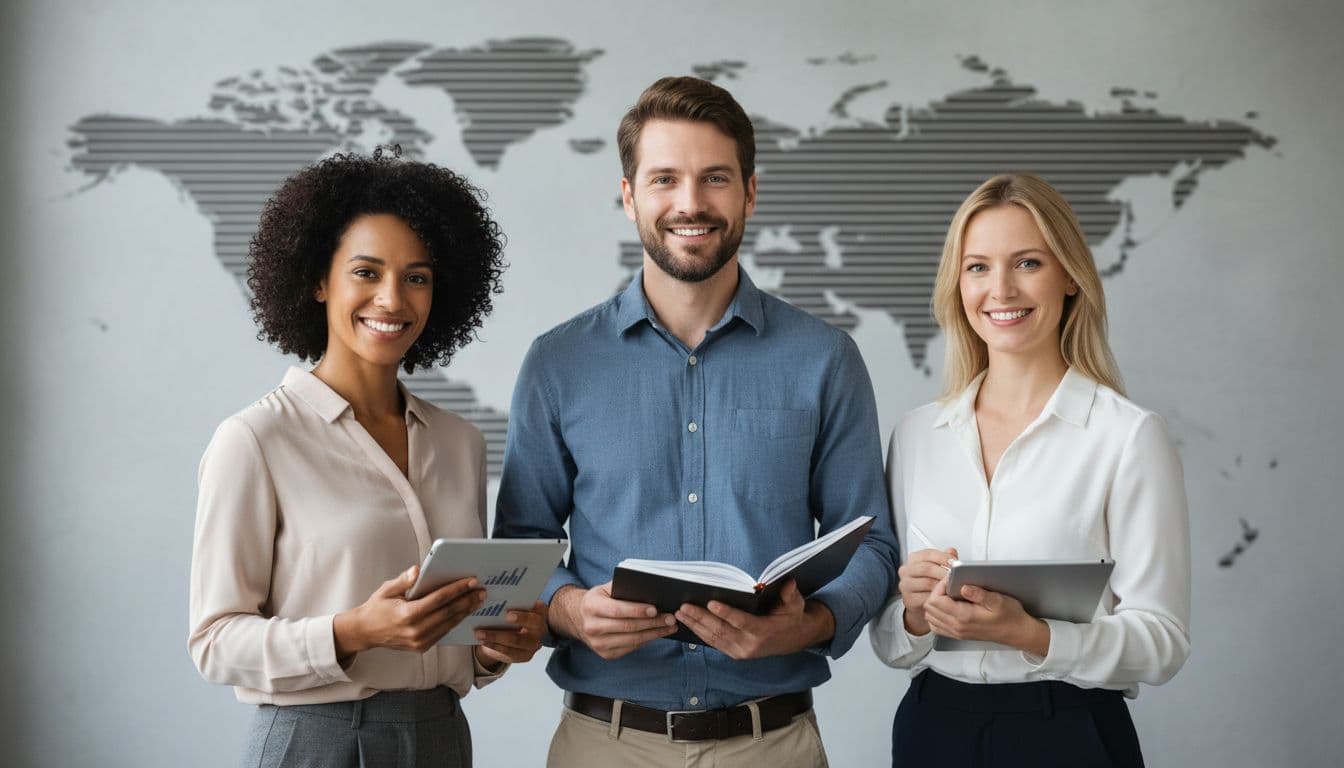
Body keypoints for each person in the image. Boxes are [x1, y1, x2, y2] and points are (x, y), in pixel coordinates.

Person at [492, 76, 898, 768]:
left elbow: (874, 543)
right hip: (603, 745)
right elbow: (520, 546)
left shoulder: (825, 360)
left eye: (715, 178)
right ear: (628, 197)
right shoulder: (558, 363)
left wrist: (814, 625)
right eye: (664, 180)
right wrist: (569, 611)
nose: (690, 203)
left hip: (775, 744)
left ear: (750, 193)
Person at [188, 150, 546, 768]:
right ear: (319, 279)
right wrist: (354, 632)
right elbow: (215, 643)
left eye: (416, 276)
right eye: (366, 271)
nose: (392, 299)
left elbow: (459, 638)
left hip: (439, 734)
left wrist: (496, 647)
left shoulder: (460, 442)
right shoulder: (255, 440)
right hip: (315, 740)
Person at [868, 173, 1191, 767]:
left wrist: (1033, 636)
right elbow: (891, 641)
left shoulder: (1127, 437)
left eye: (1027, 263)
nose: (1001, 289)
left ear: (1070, 276)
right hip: (932, 729)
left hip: (1068, 733)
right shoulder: (916, 436)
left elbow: (1162, 643)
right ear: (957, 284)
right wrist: (913, 614)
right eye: (978, 267)